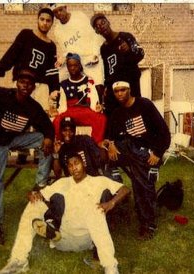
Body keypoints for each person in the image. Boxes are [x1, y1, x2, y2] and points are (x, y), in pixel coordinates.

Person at [0, 152, 130, 274]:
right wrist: (32, 195)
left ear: (83, 163)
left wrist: (111, 203)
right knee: (34, 204)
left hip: (85, 237)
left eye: (76, 163)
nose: (74, 168)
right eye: (70, 165)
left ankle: (110, 266)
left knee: (96, 209)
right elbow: (39, 194)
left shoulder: (98, 181)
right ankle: (19, 260)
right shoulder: (62, 182)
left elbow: (125, 189)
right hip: (61, 238)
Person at [0, 69, 55, 245]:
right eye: (22, 81)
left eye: (29, 84)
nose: (25, 86)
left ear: (33, 87)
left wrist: (47, 138)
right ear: (17, 83)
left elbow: (47, 126)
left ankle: (40, 183)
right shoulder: (0, 94)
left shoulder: (32, 106)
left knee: (43, 140)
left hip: (13, 140)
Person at [101, 80, 171, 240]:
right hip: (133, 153)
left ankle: (148, 224)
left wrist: (158, 153)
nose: (120, 94)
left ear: (130, 90)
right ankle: (114, 186)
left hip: (149, 152)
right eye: (117, 91)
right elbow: (110, 134)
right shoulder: (117, 113)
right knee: (105, 153)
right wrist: (111, 144)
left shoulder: (144, 105)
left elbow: (164, 132)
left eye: (123, 90)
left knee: (141, 184)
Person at [0, 7, 59, 113]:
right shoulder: (26, 35)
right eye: (42, 19)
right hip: (21, 83)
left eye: (48, 20)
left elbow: (51, 71)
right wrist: (0, 69)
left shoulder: (51, 46)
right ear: (37, 20)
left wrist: (54, 89)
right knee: (17, 115)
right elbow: (12, 53)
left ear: (52, 23)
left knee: (38, 116)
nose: (44, 23)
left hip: (40, 87)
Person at [90, 14, 145, 116]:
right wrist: (106, 86)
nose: (101, 26)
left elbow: (141, 54)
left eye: (103, 23)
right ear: (97, 32)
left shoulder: (125, 37)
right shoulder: (104, 48)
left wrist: (129, 50)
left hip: (131, 85)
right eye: (97, 26)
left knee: (134, 114)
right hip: (115, 88)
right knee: (113, 116)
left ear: (108, 23)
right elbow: (108, 70)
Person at [52, 53, 107, 144]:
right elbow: (63, 104)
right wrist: (59, 112)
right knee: (57, 120)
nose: (72, 68)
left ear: (79, 65)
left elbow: (93, 98)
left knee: (101, 119)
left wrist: (96, 108)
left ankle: (95, 143)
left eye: (75, 65)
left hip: (85, 110)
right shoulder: (64, 84)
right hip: (70, 111)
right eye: (70, 66)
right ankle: (60, 144)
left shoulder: (89, 80)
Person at [49, 3, 104, 91]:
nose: (59, 13)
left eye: (60, 10)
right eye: (55, 12)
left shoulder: (79, 16)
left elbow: (93, 35)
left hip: (90, 56)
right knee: (61, 77)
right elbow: (67, 50)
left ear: (65, 7)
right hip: (75, 59)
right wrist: (62, 59)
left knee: (98, 85)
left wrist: (95, 53)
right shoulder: (57, 30)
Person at [52, 116, 122, 182]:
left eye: (71, 130)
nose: (68, 133)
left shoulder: (85, 140)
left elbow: (99, 158)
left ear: (75, 130)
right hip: (75, 183)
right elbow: (58, 174)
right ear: (61, 131)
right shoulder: (61, 149)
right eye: (65, 130)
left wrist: (106, 145)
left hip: (91, 178)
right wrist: (56, 154)